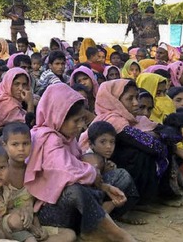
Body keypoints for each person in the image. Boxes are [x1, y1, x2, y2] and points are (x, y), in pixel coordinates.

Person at [25, 83, 136, 241]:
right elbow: (65, 172)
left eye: (82, 120)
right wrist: (92, 172)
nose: (81, 126)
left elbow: (77, 163)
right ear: (58, 117)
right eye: (75, 121)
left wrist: (102, 183)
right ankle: (112, 232)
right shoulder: (48, 138)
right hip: (51, 211)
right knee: (75, 189)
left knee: (120, 176)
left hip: (78, 202)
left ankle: (93, 225)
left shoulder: (66, 138)